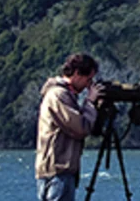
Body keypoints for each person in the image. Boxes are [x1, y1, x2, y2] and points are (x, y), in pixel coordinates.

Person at [36, 53, 102, 201]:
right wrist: (90, 103)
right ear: (77, 73)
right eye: (88, 79)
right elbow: (81, 128)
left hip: (57, 171)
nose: (88, 85)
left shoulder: (64, 95)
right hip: (58, 171)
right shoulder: (58, 95)